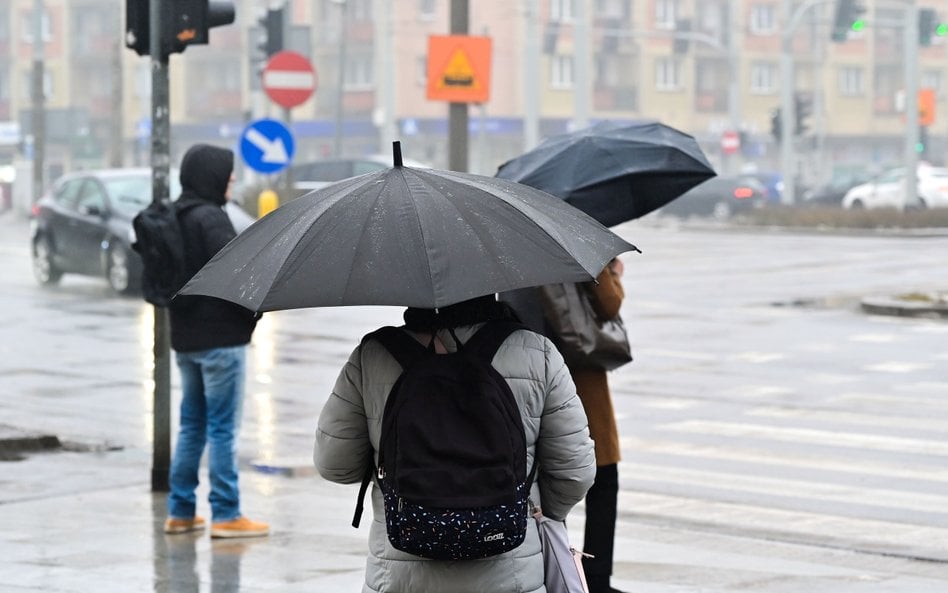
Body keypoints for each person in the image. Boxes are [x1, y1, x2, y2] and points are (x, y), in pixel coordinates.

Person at [314, 295, 596, 593]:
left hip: (399, 575)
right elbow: (575, 473)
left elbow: (335, 464)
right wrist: (525, 507)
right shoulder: (537, 353)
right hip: (511, 572)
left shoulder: (372, 356)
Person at [504, 258, 627, 593]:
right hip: (580, 374)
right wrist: (613, 274)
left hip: (525, 368)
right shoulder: (575, 247)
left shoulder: (509, 249)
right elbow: (609, 304)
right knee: (601, 479)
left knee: (546, 481)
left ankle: (556, 568)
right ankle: (596, 577)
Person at [163, 143, 268, 539]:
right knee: (222, 429)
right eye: (227, 173)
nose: (233, 178)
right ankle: (226, 514)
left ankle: (181, 511)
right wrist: (254, 313)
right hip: (221, 341)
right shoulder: (211, 219)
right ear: (210, 175)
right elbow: (239, 276)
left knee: (192, 426)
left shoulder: (177, 215)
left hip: (186, 340)